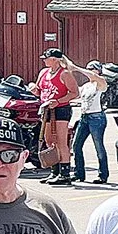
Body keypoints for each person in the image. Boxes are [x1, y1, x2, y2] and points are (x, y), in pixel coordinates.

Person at [33, 48, 79, 185]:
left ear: (55, 60)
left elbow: (74, 93)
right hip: (47, 109)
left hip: (60, 109)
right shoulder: (44, 73)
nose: (44, 60)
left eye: (47, 58)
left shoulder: (64, 74)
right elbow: (38, 90)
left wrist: (58, 101)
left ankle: (65, 173)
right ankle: (55, 171)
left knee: (60, 141)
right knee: (49, 140)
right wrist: (33, 89)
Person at [71, 61, 110, 185]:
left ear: (98, 70)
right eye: (88, 68)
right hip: (84, 117)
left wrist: (77, 67)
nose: (89, 71)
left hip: (97, 117)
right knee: (76, 145)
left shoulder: (100, 82)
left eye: (92, 68)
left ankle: (103, 175)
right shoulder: (87, 86)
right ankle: (79, 173)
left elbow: (95, 78)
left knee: (98, 146)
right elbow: (76, 95)